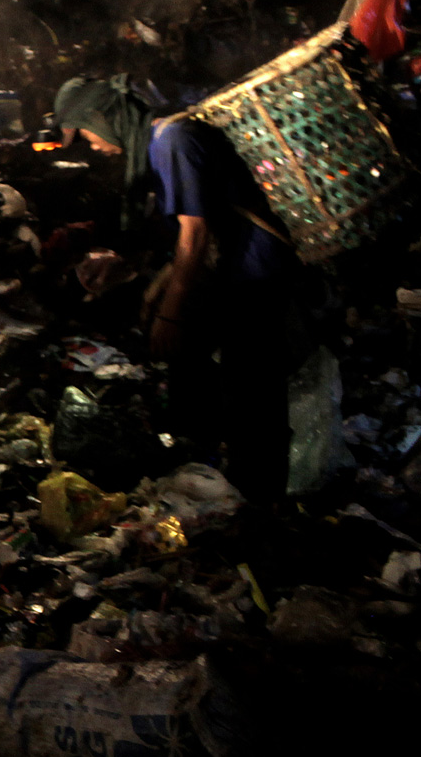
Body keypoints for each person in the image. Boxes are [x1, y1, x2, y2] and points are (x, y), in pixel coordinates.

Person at [55, 76, 302, 501]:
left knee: (253, 393)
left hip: (255, 277)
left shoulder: (172, 141)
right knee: (221, 381)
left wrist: (171, 313)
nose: (91, 145)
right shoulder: (160, 141)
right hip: (237, 275)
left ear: (103, 117)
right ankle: (217, 472)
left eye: (87, 133)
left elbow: (195, 235)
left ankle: (261, 506)